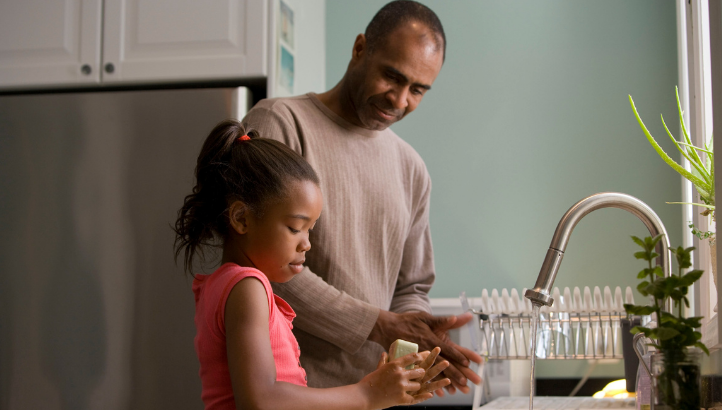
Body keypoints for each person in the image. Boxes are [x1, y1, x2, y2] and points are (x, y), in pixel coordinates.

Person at [241, 0, 482, 394]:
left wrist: (417, 340)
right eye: (392, 76)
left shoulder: (411, 168)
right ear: (359, 50)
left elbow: (411, 287)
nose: (400, 100)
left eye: (418, 89)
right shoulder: (280, 124)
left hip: (371, 398)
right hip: (287, 394)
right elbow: (260, 263)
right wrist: (379, 325)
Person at [174, 119, 451, 409]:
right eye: (295, 228)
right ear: (241, 218)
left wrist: (381, 388)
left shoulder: (226, 285)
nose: (306, 243)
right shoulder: (247, 287)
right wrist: (367, 394)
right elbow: (261, 399)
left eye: (310, 230)